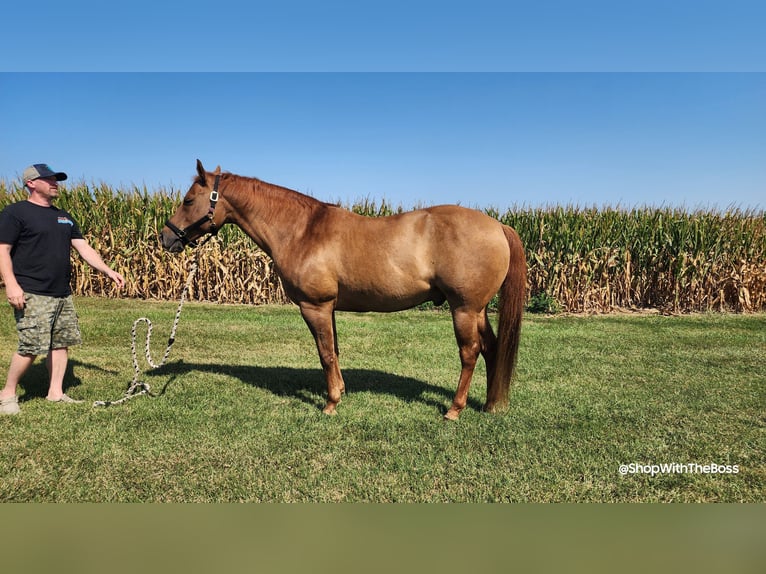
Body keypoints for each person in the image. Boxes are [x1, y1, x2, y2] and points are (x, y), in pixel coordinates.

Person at [0, 163, 125, 415]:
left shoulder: (64, 216)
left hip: (62, 293)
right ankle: (7, 394)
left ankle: (55, 392)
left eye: (56, 179)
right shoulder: (16, 213)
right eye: (48, 179)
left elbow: (84, 248)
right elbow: (2, 250)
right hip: (32, 291)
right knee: (31, 346)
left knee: (61, 343)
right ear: (31, 183)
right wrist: (11, 285)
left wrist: (107, 270)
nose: (55, 183)